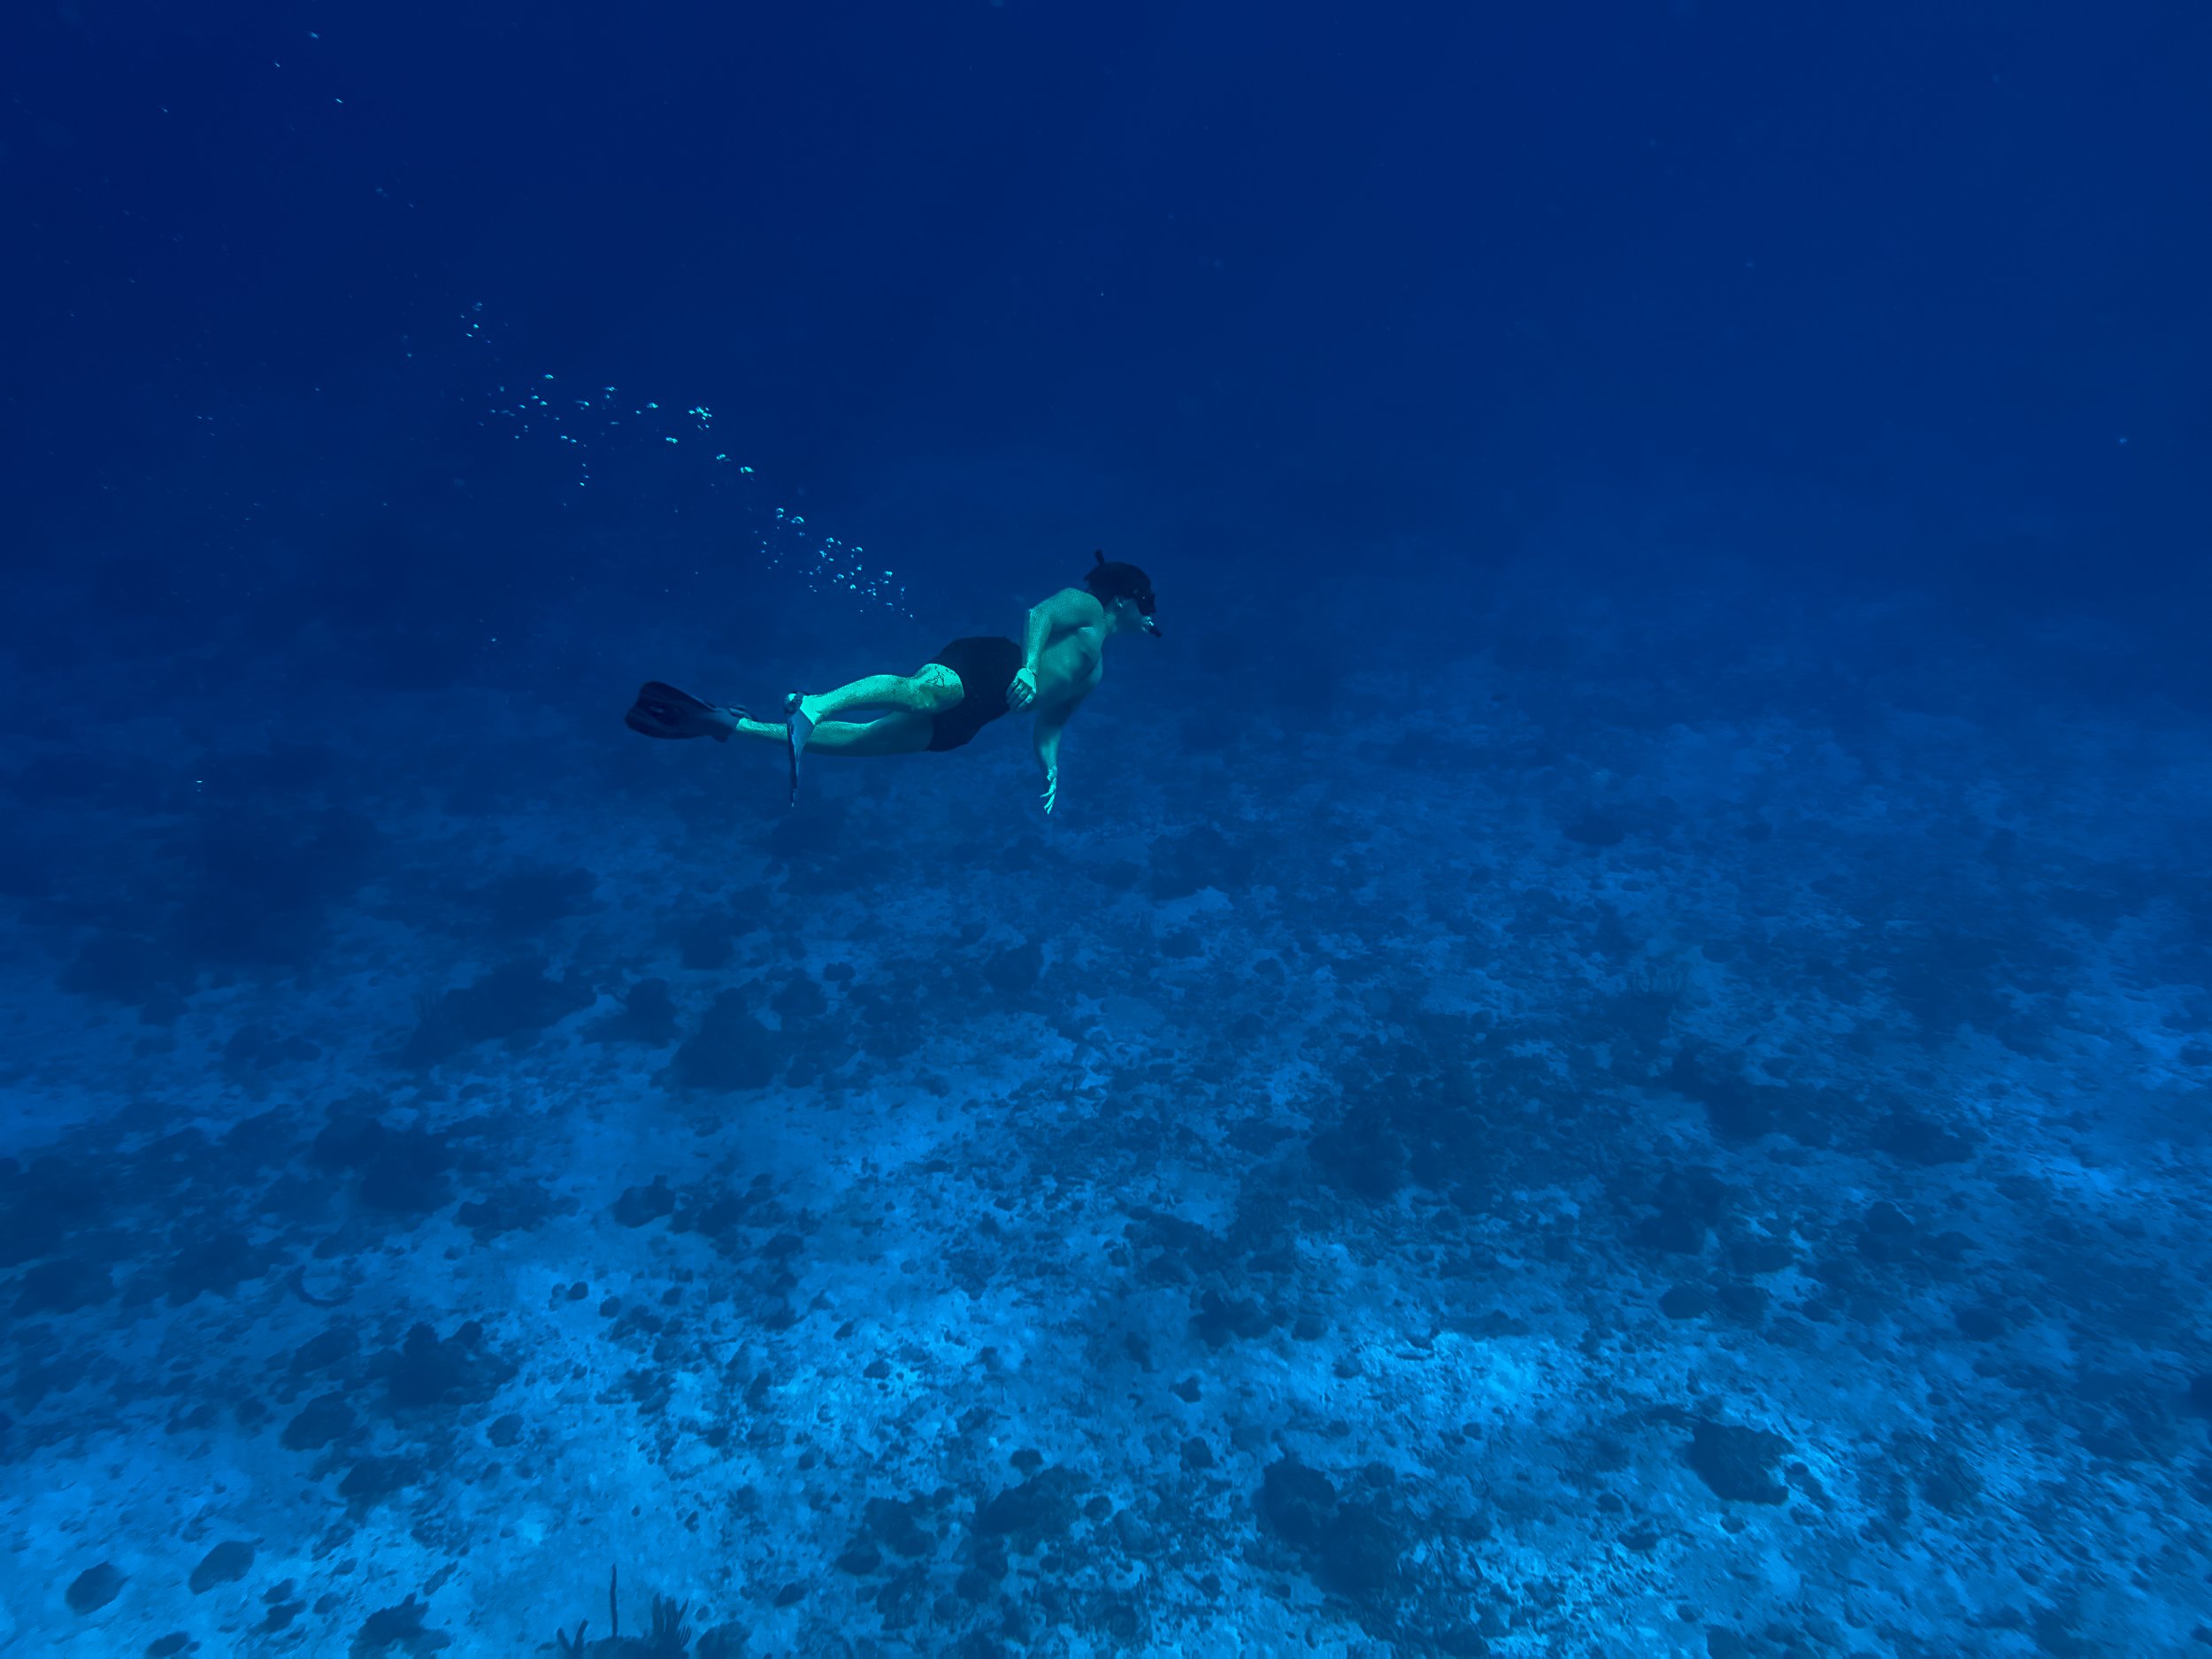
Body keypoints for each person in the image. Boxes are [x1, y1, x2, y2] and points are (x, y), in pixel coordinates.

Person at [626, 552, 1159, 814]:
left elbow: (1051, 722)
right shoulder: (1088, 607)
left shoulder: (1098, 672)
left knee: (863, 745)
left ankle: (726, 722)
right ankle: (815, 703)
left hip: (983, 715)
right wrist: (1026, 666)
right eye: (1148, 606)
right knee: (923, 691)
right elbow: (1040, 612)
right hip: (993, 664)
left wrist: (1052, 767)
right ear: (1127, 598)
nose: (1151, 619)